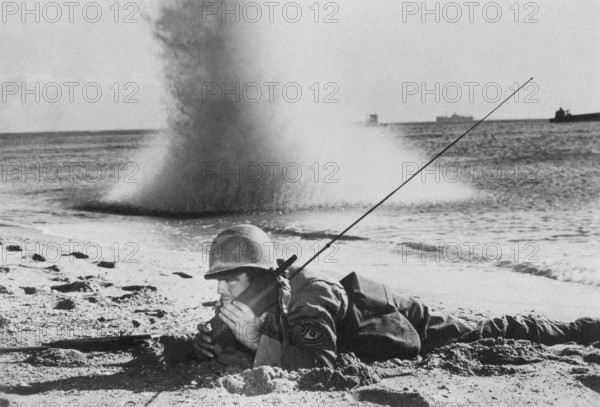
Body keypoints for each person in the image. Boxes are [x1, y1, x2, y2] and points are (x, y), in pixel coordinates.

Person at [194, 225, 600, 369]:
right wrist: (213, 342)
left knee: (499, 332)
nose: (220, 290)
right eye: (218, 280)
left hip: (422, 329)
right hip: (377, 332)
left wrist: (251, 340)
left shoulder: (307, 299)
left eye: (231, 281)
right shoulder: (260, 300)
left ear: (262, 277)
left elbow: (318, 366)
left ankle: (584, 329)